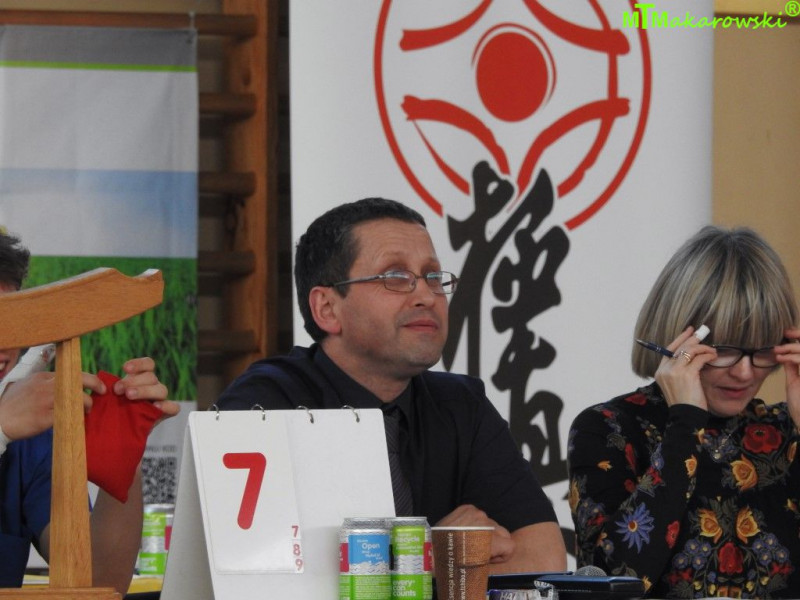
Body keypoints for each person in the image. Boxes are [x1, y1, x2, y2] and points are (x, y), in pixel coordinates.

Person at [217, 197, 566, 573]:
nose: (426, 296)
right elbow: (252, 573)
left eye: (433, 277)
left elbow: (543, 557)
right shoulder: (265, 405)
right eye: (395, 277)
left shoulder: (462, 405)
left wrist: (406, 569)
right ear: (327, 309)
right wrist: (428, 555)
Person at [568, 225, 800, 598]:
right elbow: (612, 582)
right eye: (724, 350)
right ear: (679, 340)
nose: (744, 372)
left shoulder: (788, 430)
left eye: (762, 351)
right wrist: (685, 426)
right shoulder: (609, 428)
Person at [0, 230, 181, 594]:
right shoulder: (13, 422)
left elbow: (99, 581)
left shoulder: (31, 437)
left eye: (14, 320)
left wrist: (123, 446)